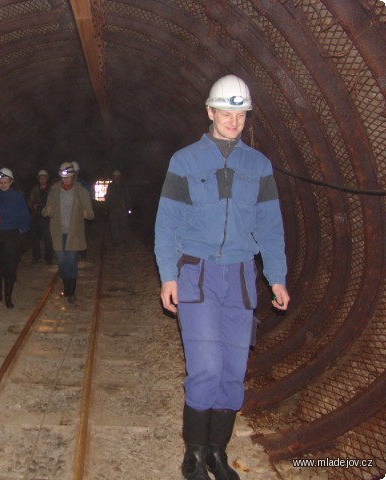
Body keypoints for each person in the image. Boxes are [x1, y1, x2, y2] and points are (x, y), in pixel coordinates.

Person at [154, 75, 290, 480]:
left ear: (247, 117)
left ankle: (217, 452)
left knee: (232, 374)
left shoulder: (259, 165)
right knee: (207, 368)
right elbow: (167, 224)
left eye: (240, 114)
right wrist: (167, 275)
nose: (233, 121)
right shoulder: (185, 161)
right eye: (225, 113)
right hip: (197, 274)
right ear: (210, 112)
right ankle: (193, 455)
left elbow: (270, 226)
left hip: (242, 276)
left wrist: (277, 276)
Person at [42, 162, 95, 303]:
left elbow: (91, 214)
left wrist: (86, 213)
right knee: (61, 262)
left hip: (74, 233)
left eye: (68, 177)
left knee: (71, 261)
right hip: (58, 232)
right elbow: (46, 210)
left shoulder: (81, 191)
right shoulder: (54, 191)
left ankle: (71, 291)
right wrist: (47, 211)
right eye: (63, 177)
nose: (66, 180)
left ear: (73, 176)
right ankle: (66, 286)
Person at [0, 168, 31, 308]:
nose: (3, 184)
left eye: (6, 182)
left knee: (10, 267)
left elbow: (25, 216)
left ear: (11, 182)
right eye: (1, 182)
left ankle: (8, 297)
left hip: (11, 235)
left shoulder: (17, 197)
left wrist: (21, 230)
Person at [27, 169, 53, 265]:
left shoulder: (51, 189)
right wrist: (33, 205)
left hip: (48, 217)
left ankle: (48, 258)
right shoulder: (35, 189)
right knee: (35, 238)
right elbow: (29, 201)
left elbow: (55, 201)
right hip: (37, 216)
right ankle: (36, 257)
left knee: (48, 238)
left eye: (43, 178)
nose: (42, 180)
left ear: (46, 179)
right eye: (40, 178)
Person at [104, 169, 132, 246]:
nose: (116, 178)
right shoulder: (111, 186)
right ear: (113, 177)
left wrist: (129, 207)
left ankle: (124, 239)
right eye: (115, 177)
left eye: (118, 177)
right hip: (113, 208)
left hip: (123, 208)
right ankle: (116, 240)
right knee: (114, 224)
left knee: (124, 224)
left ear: (120, 177)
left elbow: (127, 197)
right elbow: (108, 197)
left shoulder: (124, 186)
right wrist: (106, 207)